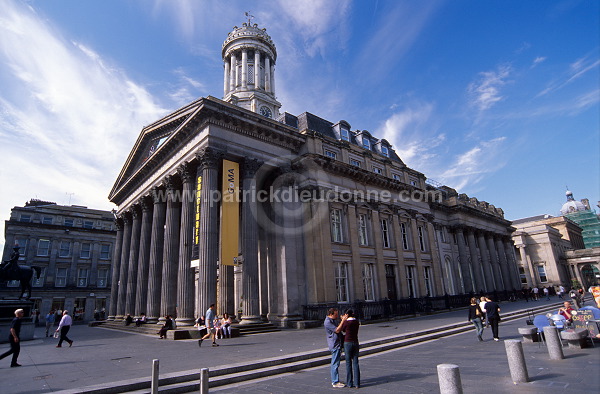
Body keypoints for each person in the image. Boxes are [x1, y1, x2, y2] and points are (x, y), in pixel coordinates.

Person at [337, 309, 360, 389]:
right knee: (356, 362)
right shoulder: (356, 322)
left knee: (348, 363)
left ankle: (350, 382)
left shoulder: (346, 322)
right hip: (355, 342)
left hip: (347, 343)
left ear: (346, 315)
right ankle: (357, 383)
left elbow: (342, 330)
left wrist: (343, 320)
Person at [324, 308, 345, 388]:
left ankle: (336, 380)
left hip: (338, 343)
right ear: (331, 314)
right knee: (335, 363)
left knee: (337, 362)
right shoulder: (327, 322)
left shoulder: (333, 320)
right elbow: (337, 330)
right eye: (336, 315)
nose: (337, 316)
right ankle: (335, 382)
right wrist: (343, 321)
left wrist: (342, 321)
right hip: (334, 344)